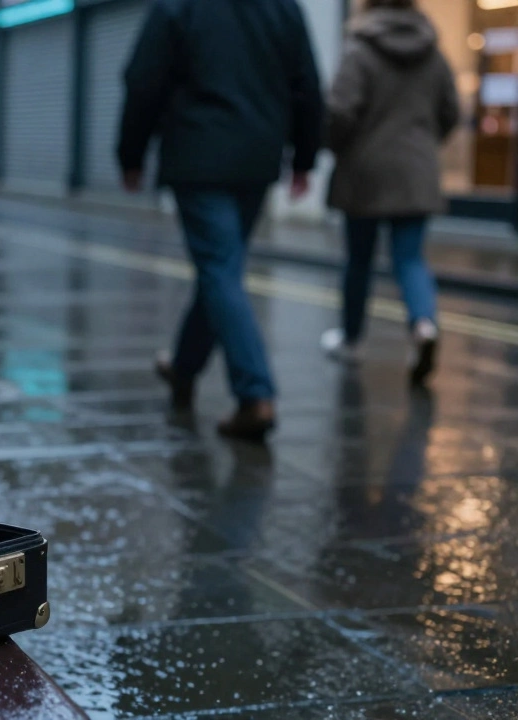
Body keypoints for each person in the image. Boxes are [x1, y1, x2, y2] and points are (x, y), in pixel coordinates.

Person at [118, 0, 323, 442]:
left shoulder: (178, 6)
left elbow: (143, 80)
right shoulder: (282, 8)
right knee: (221, 269)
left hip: (198, 155)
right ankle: (183, 368)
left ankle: (255, 394)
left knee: (219, 270)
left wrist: (130, 154)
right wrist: (304, 158)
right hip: (257, 156)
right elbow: (306, 82)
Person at [320, 0, 458, 387]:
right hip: (416, 170)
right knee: (410, 258)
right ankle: (423, 324)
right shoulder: (432, 52)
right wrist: (425, 145)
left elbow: (339, 111)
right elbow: (451, 110)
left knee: (359, 260)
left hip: (366, 169)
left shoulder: (360, 49)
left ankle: (351, 339)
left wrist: (335, 145)